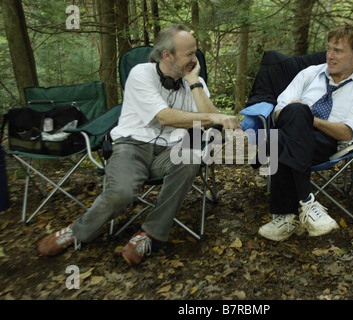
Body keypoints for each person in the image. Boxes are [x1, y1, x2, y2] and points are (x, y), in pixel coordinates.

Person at [37, 24, 240, 266]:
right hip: (132, 146)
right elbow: (165, 117)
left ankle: (149, 234)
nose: (195, 58)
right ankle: (78, 231)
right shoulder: (141, 74)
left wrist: (195, 83)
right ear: (167, 55)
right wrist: (211, 118)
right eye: (189, 53)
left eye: (195, 52)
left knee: (190, 159)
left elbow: (212, 121)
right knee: (122, 192)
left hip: (171, 149)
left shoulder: (193, 80)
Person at [258, 22, 353, 241]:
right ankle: (306, 202)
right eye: (329, 49)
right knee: (295, 113)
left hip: (326, 142)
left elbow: (347, 132)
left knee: (281, 138)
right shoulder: (309, 74)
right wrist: (299, 114)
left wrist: (307, 118)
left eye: (338, 51)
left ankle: (286, 216)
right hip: (291, 132)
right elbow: (278, 112)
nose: (330, 56)